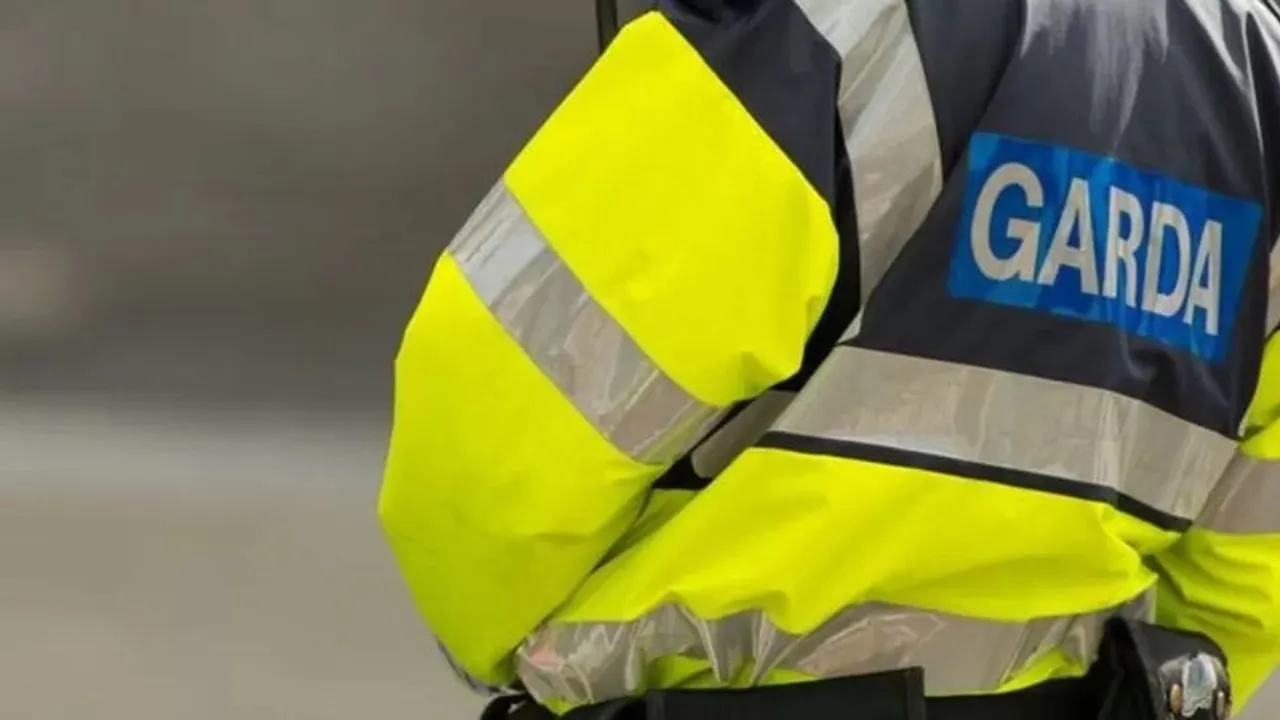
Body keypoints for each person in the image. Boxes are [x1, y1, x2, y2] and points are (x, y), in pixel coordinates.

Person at [379, 0, 1280, 717]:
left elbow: (492, 435)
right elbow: (1254, 544)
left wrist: (521, 647)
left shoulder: (820, 27)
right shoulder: (1253, 68)